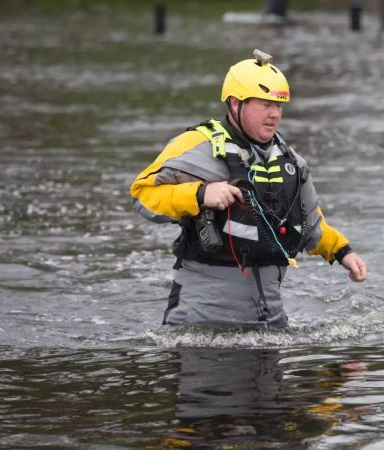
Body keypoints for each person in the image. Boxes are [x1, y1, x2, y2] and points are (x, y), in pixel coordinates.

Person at [130, 49, 367, 328]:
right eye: (264, 104)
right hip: (202, 319)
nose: (274, 114)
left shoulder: (292, 162)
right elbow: (143, 197)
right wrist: (200, 194)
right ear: (234, 103)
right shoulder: (195, 146)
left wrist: (343, 252)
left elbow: (309, 224)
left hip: (270, 318)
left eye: (278, 106)